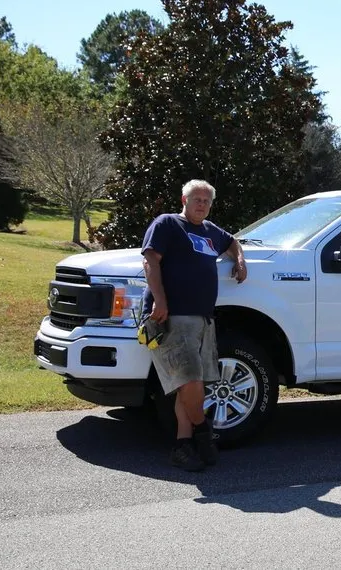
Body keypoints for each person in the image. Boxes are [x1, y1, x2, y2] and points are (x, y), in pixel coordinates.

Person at [141, 179, 247, 471]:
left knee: (189, 385)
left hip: (203, 318)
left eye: (206, 201)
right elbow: (151, 261)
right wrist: (159, 301)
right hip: (171, 316)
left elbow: (232, 242)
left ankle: (183, 445)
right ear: (183, 200)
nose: (201, 204)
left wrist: (239, 260)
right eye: (196, 199)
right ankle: (203, 431)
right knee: (189, 382)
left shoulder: (211, 231)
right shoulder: (167, 224)